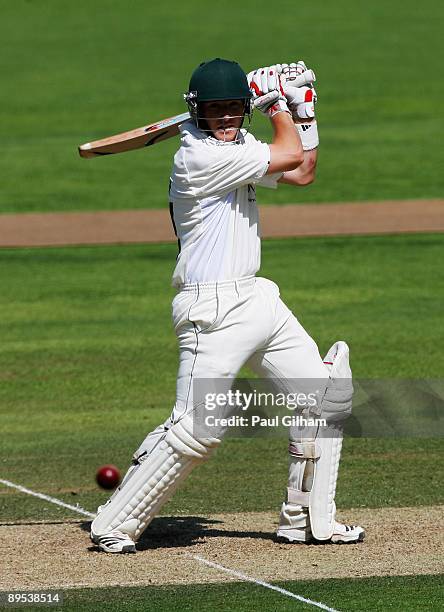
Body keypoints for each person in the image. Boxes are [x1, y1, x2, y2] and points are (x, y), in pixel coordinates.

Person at [90, 58, 365, 553]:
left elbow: (301, 171)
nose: (225, 118)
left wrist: (303, 115)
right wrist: (277, 101)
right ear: (196, 111)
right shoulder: (197, 156)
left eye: (234, 108)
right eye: (215, 109)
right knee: (200, 427)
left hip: (257, 298)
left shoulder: (240, 147)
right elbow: (286, 153)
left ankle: (302, 519)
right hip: (211, 312)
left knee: (324, 397)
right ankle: (115, 522)